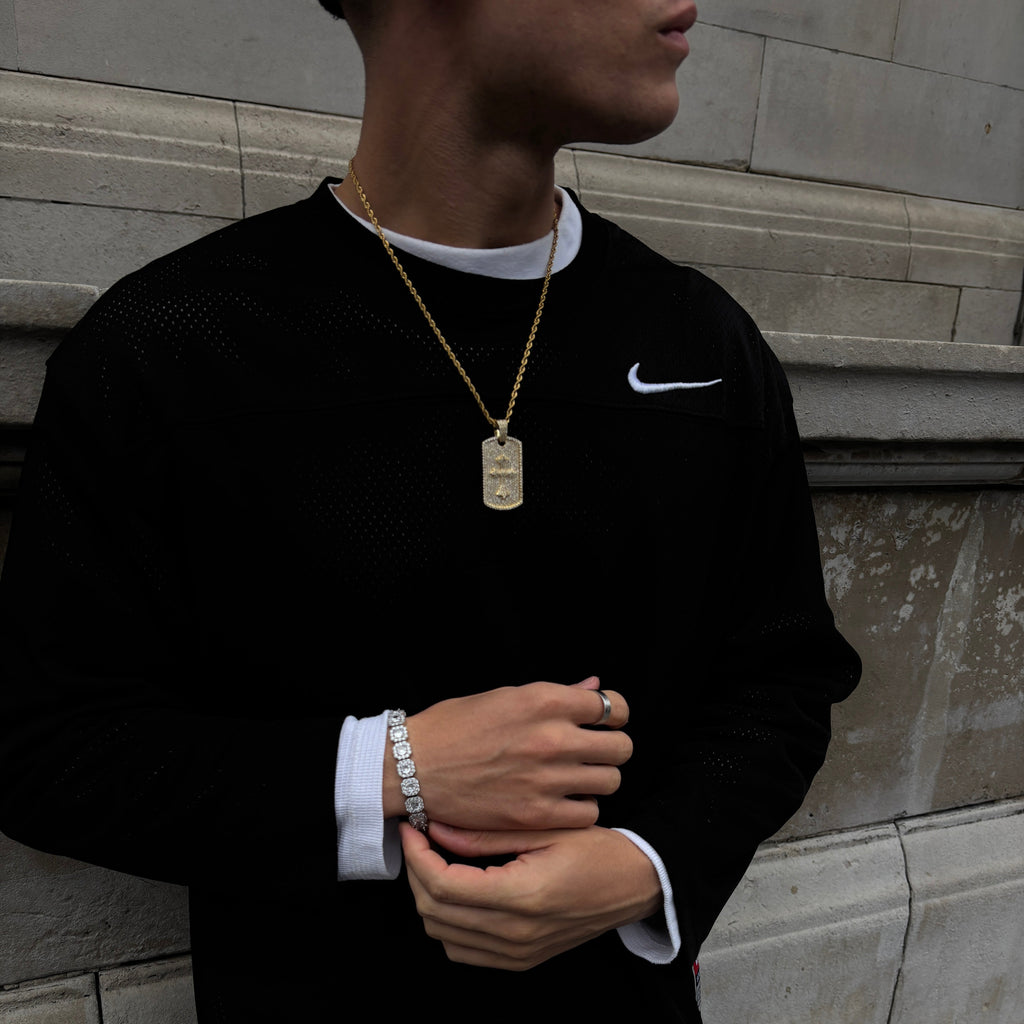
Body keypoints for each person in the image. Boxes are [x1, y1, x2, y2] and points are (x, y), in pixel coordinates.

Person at [0, 1, 860, 1020]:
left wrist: (649, 862)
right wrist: (387, 768)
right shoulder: (173, 348)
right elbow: (46, 745)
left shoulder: (703, 345)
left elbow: (785, 676)